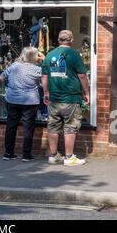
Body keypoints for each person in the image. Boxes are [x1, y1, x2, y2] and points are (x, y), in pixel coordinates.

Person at [42, 30, 90, 167]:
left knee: (53, 126)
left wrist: (45, 93)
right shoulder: (74, 55)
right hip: (71, 98)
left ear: (58, 40)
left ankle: (53, 156)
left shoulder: (50, 55)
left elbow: (44, 76)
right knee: (70, 126)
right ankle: (69, 157)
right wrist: (86, 93)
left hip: (54, 98)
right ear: (72, 40)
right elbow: (82, 75)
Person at [0, 47, 45, 162]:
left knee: (11, 126)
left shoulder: (14, 65)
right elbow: (44, 83)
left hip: (12, 99)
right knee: (28, 128)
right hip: (30, 101)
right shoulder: (37, 69)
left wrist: (11, 81)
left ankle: (8, 153)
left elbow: (1, 78)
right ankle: (26, 154)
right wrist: (44, 59)